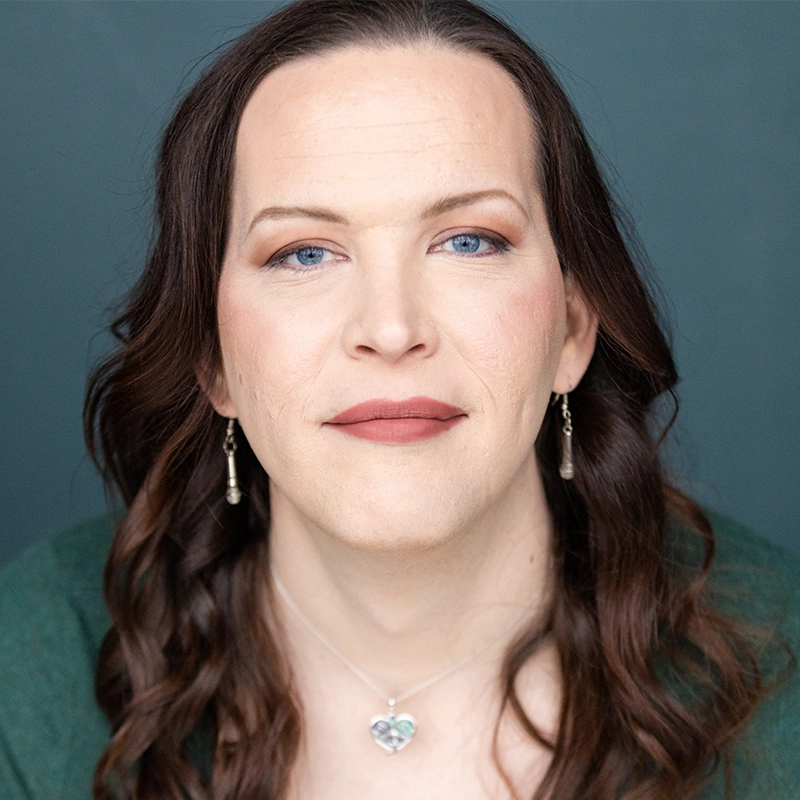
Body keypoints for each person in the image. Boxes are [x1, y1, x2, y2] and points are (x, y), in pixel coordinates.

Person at [0, 1, 797, 798]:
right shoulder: (37, 657)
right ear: (213, 360)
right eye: (304, 252)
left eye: (468, 241)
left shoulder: (779, 665)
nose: (390, 328)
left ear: (572, 329)